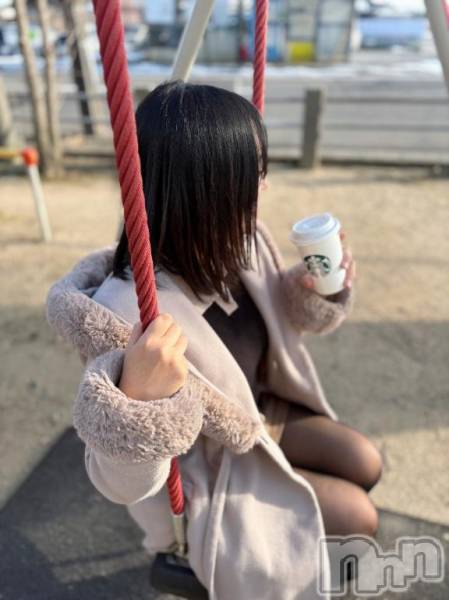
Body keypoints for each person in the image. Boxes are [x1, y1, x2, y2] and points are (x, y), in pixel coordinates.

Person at [47, 81, 382, 599]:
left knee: (365, 461)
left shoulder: (238, 242)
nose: (264, 187)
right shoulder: (124, 310)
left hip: (257, 413)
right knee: (359, 517)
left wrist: (312, 289)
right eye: (254, 173)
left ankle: (309, 553)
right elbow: (115, 483)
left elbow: (283, 319)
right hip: (210, 466)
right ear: (209, 188)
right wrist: (138, 401)